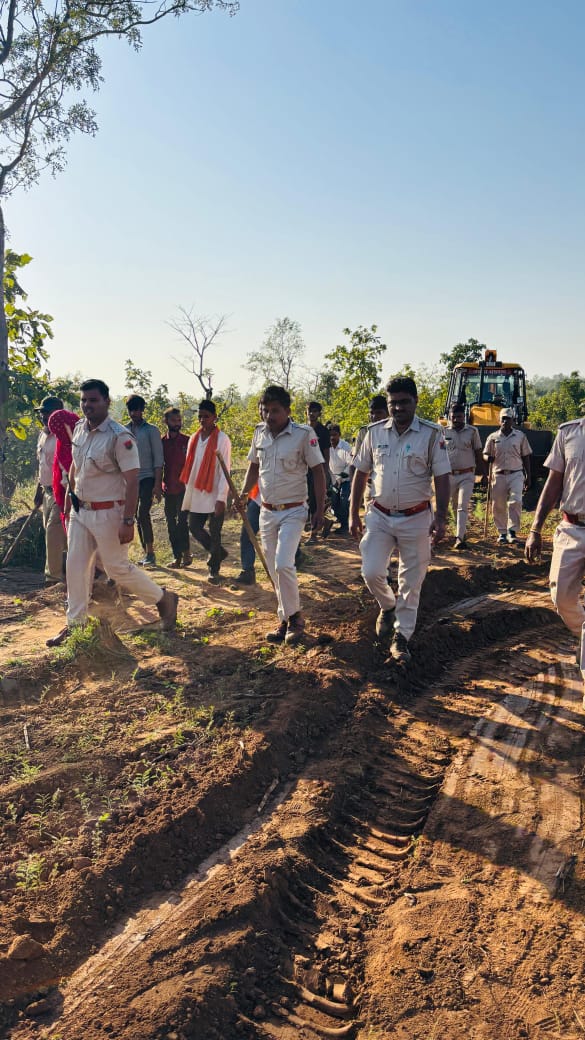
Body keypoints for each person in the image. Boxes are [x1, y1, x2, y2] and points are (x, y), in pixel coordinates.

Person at [47, 379, 178, 646]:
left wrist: (128, 520)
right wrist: (71, 498)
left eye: (93, 400)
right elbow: (75, 467)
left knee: (117, 568)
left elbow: (132, 481)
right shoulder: (79, 429)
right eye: (84, 400)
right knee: (75, 566)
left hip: (110, 513)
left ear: (107, 401)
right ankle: (76, 624)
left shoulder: (120, 437)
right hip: (81, 512)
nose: (87, 405)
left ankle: (163, 598)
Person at [350, 376, 451, 665]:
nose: (398, 408)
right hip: (379, 515)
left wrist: (441, 518)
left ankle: (401, 637)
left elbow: (443, 477)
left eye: (404, 402)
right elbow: (361, 473)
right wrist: (352, 513)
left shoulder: (431, 434)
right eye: (393, 403)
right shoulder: (373, 433)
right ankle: (388, 605)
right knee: (371, 571)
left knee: (411, 581)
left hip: (416, 518)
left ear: (415, 401)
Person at [240, 385, 326, 645]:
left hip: (294, 511)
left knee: (283, 564)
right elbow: (253, 467)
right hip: (267, 511)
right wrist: (243, 495)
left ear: (287, 411)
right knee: (273, 568)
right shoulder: (259, 433)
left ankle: (296, 619)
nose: (269, 416)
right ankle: (285, 619)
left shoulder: (304, 434)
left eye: (275, 410)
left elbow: (318, 471)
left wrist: (319, 510)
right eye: (265, 410)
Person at [525, 416, 585, 690]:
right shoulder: (569, 433)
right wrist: (535, 528)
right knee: (561, 597)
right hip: (571, 527)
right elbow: (554, 482)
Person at [180, 399, 231, 585]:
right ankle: (218, 553)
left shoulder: (222, 439)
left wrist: (221, 498)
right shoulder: (194, 438)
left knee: (215, 532)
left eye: (206, 416)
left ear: (215, 417)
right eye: (200, 416)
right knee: (194, 527)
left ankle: (213, 570)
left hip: (216, 491)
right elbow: (191, 466)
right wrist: (189, 491)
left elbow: (225, 471)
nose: (202, 420)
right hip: (198, 492)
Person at [124, 395, 164, 566]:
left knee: (142, 514)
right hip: (129, 479)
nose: (134, 413)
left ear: (142, 410)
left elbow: (158, 459)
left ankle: (150, 552)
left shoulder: (151, 430)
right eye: (131, 410)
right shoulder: (124, 430)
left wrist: (157, 484)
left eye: (137, 410)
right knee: (133, 515)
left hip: (148, 477)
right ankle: (145, 552)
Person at [483, 408, 532, 544]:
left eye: (508, 419)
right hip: (498, 474)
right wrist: (488, 458)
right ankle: (502, 532)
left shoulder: (520, 436)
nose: (505, 421)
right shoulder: (493, 438)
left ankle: (512, 532)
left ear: (513, 421)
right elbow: (485, 454)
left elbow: (526, 456)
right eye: (503, 418)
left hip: (516, 474)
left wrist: (528, 476)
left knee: (516, 501)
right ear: (499, 420)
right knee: (498, 504)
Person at [34, 396, 67, 584]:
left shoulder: (65, 435)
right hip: (46, 491)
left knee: (53, 530)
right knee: (56, 532)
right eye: (42, 413)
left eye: (47, 413)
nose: (44, 416)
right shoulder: (42, 435)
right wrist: (38, 492)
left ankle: (53, 577)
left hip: (62, 490)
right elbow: (42, 466)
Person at [444, 403, 485, 549]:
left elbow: (478, 452)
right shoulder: (443, 432)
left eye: (459, 417)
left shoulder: (472, 431)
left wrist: (484, 474)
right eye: (453, 417)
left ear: (464, 416)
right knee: (452, 505)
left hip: (467, 475)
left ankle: (459, 538)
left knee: (462, 505)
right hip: (448, 475)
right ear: (449, 417)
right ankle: (457, 530)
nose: (456, 420)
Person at [161, 407, 191, 569]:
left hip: (183, 488)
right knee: (171, 524)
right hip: (168, 488)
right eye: (173, 420)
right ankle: (176, 556)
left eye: (179, 420)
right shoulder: (161, 442)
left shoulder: (187, 441)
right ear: (166, 421)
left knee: (182, 522)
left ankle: (186, 553)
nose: (177, 423)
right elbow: (158, 465)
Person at [47, 408, 81, 531]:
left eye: (61, 431)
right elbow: (66, 479)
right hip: (68, 499)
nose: (59, 435)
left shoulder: (84, 443)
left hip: (88, 504)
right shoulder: (62, 446)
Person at [306, 401, 330, 538]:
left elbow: (326, 454)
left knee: (315, 501)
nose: (311, 413)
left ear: (319, 414)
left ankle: (313, 534)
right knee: (306, 501)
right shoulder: (302, 430)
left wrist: (324, 473)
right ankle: (325, 521)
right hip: (304, 471)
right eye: (309, 410)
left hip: (318, 471)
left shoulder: (323, 431)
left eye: (315, 411)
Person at [327, 424, 352, 535]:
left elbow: (350, 464)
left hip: (345, 479)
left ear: (339, 435)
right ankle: (331, 523)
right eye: (330, 435)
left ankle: (345, 526)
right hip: (332, 480)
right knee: (332, 502)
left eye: (335, 435)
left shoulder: (345, 446)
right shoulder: (326, 447)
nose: (332, 437)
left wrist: (340, 478)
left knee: (344, 501)